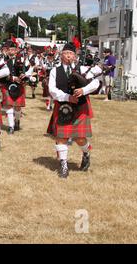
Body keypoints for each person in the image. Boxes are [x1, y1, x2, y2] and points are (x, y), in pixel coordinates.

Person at [46, 43, 101, 178]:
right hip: (63, 106)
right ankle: (63, 165)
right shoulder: (55, 71)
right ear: (61, 55)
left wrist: (83, 90)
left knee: (79, 138)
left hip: (80, 107)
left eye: (71, 53)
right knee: (61, 137)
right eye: (65, 53)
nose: (68, 56)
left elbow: (96, 82)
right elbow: (52, 90)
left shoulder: (83, 69)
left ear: (75, 56)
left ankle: (86, 152)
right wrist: (67, 97)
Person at [0, 40, 30, 134]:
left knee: (17, 107)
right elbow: (0, 72)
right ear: (7, 50)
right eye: (9, 49)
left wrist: (24, 76)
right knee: (8, 106)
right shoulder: (2, 59)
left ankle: (17, 121)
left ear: (16, 50)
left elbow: (29, 69)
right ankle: (11, 126)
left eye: (13, 49)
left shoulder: (23, 58)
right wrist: (13, 78)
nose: (11, 51)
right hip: (6, 84)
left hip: (19, 85)